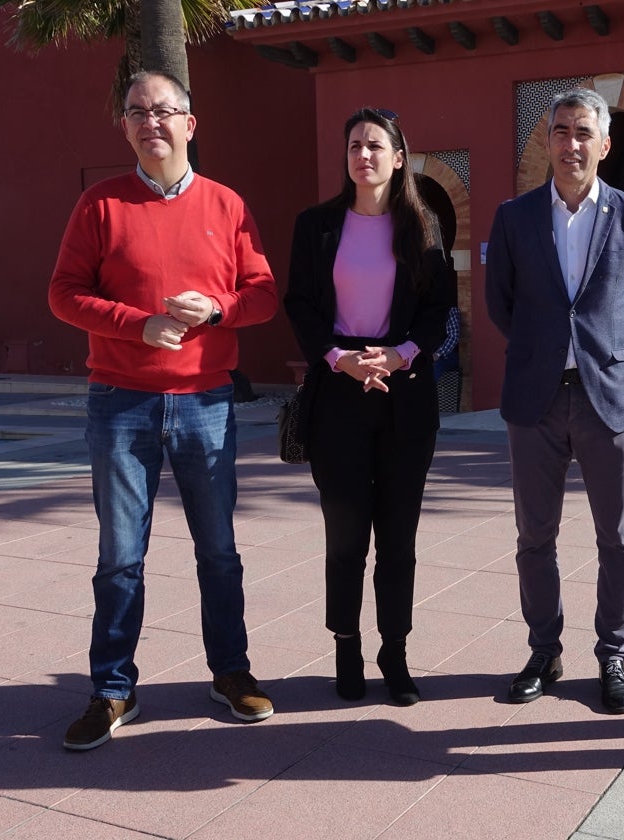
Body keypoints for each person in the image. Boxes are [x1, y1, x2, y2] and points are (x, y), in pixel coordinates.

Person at [48, 69, 278, 750]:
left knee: (219, 552)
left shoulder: (227, 205)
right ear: (125, 127)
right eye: (137, 113)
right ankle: (113, 689)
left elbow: (262, 293)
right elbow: (63, 294)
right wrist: (136, 324)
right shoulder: (98, 205)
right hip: (120, 402)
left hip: (206, 400)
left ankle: (230, 672)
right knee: (120, 557)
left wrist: (219, 309)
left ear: (189, 124)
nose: (151, 122)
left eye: (164, 111)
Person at [485, 88, 624, 714]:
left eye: (583, 132)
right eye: (561, 131)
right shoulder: (514, 217)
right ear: (548, 140)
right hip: (534, 399)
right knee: (534, 536)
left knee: (618, 538)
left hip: (609, 400)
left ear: (604, 144)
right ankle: (544, 650)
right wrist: (547, 350)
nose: (571, 144)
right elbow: (499, 305)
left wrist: (604, 357)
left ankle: (614, 654)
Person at [285, 107, 454, 706]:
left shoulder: (424, 225)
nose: (364, 155)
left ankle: (396, 651)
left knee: (398, 539)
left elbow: (440, 311)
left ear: (398, 157)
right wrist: (338, 358)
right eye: (354, 144)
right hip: (338, 391)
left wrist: (403, 354)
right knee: (346, 535)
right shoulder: (317, 225)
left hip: (405, 396)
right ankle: (347, 647)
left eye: (376, 145)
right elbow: (301, 303)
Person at [431, 304, 461, 382]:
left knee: (435, 366)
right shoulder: (423, 314)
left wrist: (438, 354)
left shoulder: (450, 311)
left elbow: (454, 336)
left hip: (448, 354)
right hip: (429, 353)